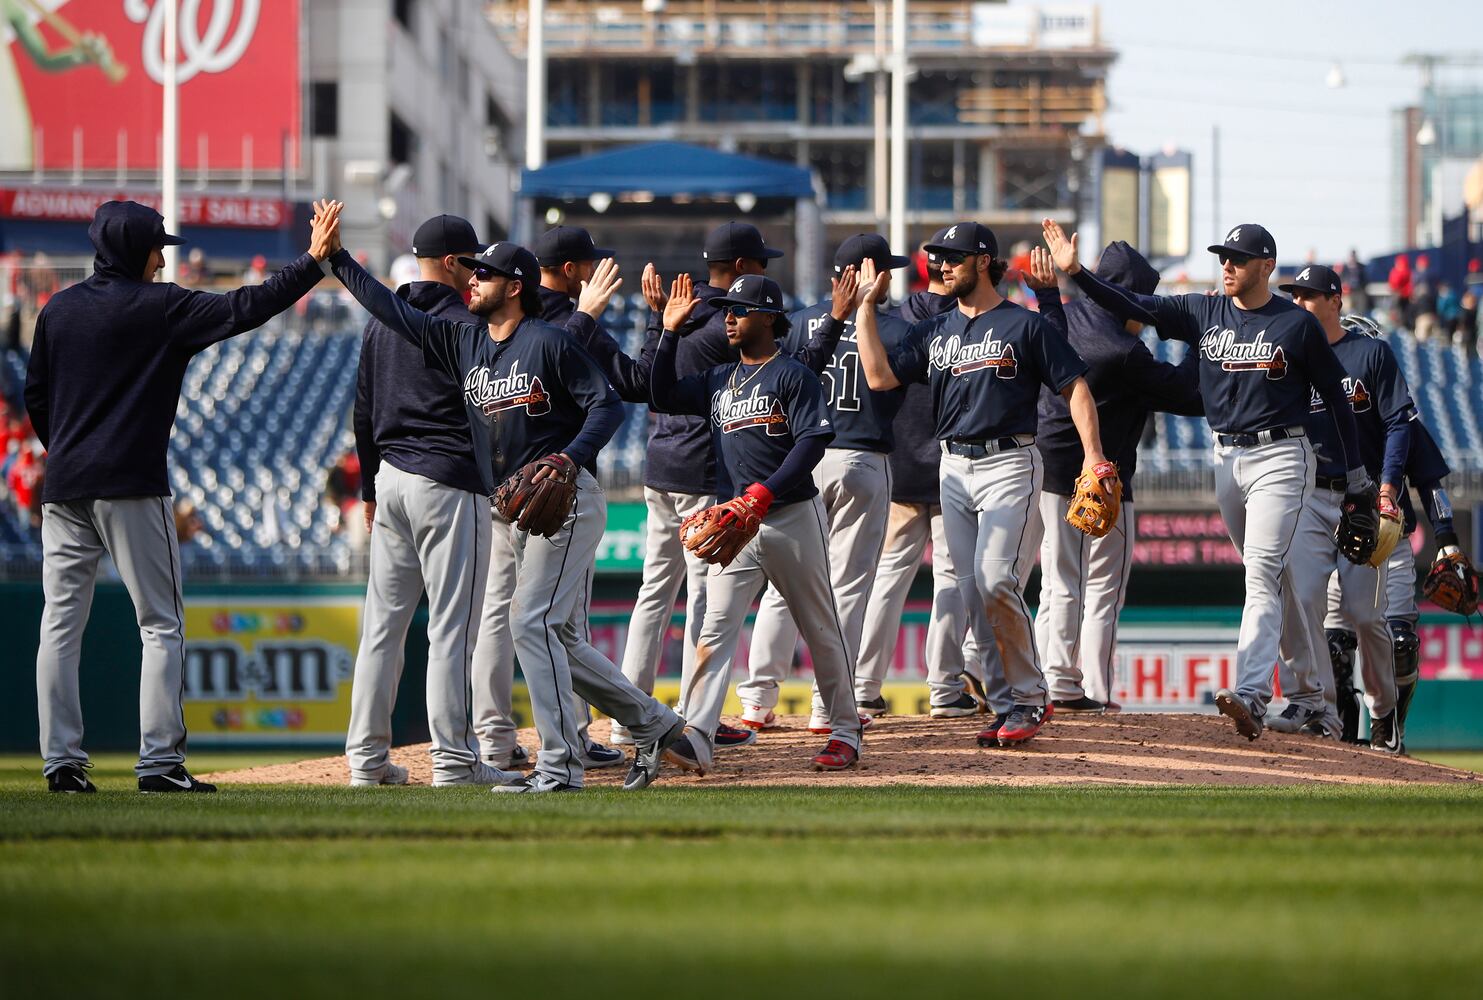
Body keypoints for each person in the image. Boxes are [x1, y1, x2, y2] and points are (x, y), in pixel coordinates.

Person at [326, 228, 702, 794]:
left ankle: (559, 768)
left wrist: (570, 459)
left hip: (568, 500)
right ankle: (656, 724)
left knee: (530, 624)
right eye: (471, 271)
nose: (471, 280)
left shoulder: (549, 342)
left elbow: (607, 408)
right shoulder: (467, 344)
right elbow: (386, 307)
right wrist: (335, 260)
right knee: (559, 638)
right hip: (523, 510)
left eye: (484, 274)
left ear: (516, 286)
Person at [26, 199, 335, 793]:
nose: (161, 258)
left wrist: (68, 450)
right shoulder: (160, 307)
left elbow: (37, 398)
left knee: (58, 627)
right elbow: (246, 307)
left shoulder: (58, 310)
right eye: (157, 248)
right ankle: (161, 764)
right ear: (140, 252)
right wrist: (311, 262)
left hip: (63, 486)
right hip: (132, 484)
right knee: (160, 625)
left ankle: (62, 763)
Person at [1043, 219, 1373, 741]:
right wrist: (1076, 273)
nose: (1227, 265)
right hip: (1227, 459)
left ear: (1267, 266)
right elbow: (1135, 306)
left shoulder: (1296, 325)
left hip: (1282, 456)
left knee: (1262, 574)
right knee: (1276, 579)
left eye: (1238, 259)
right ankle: (1311, 698)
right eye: (1223, 257)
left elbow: (1335, 397)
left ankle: (1251, 694)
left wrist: (1356, 476)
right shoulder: (1203, 310)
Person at [856, 223, 1107, 748]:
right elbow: (879, 378)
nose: (941, 266)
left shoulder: (1025, 326)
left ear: (982, 261)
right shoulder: (937, 329)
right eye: (938, 258)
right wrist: (863, 308)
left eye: (952, 257)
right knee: (971, 593)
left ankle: (1030, 696)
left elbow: (1075, 387)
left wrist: (1094, 457)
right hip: (952, 467)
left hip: (1009, 463)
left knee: (996, 579)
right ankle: (1004, 700)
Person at [650, 273, 863, 772]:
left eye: (739, 310)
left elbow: (812, 442)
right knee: (713, 629)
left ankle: (846, 731)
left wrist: (763, 493)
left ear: (769, 317)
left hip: (790, 516)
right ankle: (698, 735)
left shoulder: (792, 374)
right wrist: (668, 333)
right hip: (736, 524)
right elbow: (659, 394)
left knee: (819, 626)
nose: (728, 316)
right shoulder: (720, 378)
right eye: (725, 309)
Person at [345, 214, 519, 787]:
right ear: (451, 263)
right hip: (446, 484)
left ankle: (366, 764)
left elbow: (363, 414)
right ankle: (453, 760)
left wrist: (370, 488)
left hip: (391, 481)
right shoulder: (466, 323)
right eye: (472, 263)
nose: (477, 275)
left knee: (382, 629)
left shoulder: (379, 325)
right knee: (451, 629)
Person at [611, 222, 788, 752]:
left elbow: (645, 383)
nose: (764, 274)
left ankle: (626, 716)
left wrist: (653, 320)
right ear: (740, 268)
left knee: (653, 595)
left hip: (659, 466)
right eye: (759, 265)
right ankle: (692, 720)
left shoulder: (679, 318)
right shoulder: (726, 328)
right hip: (700, 473)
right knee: (707, 601)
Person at [467, 224, 630, 773]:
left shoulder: (501, 327)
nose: (594, 270)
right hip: (542, 491)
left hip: (519, 489)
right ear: (570, 269)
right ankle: (578, 742)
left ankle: (498, 737)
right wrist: (591, 320)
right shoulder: (554, 324)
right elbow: (630, 386)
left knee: (510, 616)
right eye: (588, 261)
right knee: (553, 622)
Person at [737, 234, 908, 731]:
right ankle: (826, 705)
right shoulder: (892, 327)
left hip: (800, 459)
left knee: (782, 584)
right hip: (861, 457)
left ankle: (756, 701)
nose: (892, 276)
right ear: (870, 272)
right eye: (887, 269)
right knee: (847, 587)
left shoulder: (796, 324)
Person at [1033, 241, 1203, 714]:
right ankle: (1093, 693)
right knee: (1100, 591)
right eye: (1142, 300)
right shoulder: (1123, 349)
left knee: (1055, 583)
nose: (1144, 312)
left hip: (1043, 467)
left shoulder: (1058, 317)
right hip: (1101, 477)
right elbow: (1190, 397)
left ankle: (1048, 682)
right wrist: (1200, 340)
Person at [1269, 268, 1408, 751]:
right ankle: (1321, 710)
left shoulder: (1369, 353)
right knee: (1301, 599)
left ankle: (1383, 709)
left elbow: (1398, 423)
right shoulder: (1289, 356)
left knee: (1363, 615)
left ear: (1336, 300)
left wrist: (1387, 486)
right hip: (1306, 492)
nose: (1301, 302)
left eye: (1309, 295)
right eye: (1296, 295)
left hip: (1359, 497)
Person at [854, 229, 989, 719]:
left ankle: (864, 684)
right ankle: (944, 687)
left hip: (902, 463)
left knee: (888, 578)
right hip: (955, 464)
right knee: (951, 577)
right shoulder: (969, 320)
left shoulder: (897, 319)